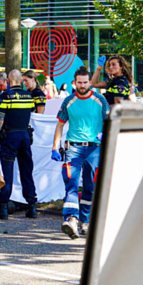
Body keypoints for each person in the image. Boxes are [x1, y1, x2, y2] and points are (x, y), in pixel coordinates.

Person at [52, 67, 110, 239]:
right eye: (80, 83)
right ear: (74, 83)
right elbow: (60, 125)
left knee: (90, 187)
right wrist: (55, 147)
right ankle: (71, 219)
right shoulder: (68, 101)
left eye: (85, 82)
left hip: (94, 148)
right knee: (71, 181)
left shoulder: (100, 99)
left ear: (90, 82)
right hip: (73, 147)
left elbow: (109, 121)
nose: (83, 85)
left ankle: (85, 221)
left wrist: (104, 134)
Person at [0, 70, 38, 219]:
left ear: (9, 80)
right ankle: (32, 206)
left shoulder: (6, 96)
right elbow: (32, 112)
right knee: (26, 171)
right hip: (24, 135)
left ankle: (3, 207)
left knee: (7, 173)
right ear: (21, 80)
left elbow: (0, 117)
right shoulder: (28, 96)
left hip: (10, 136)